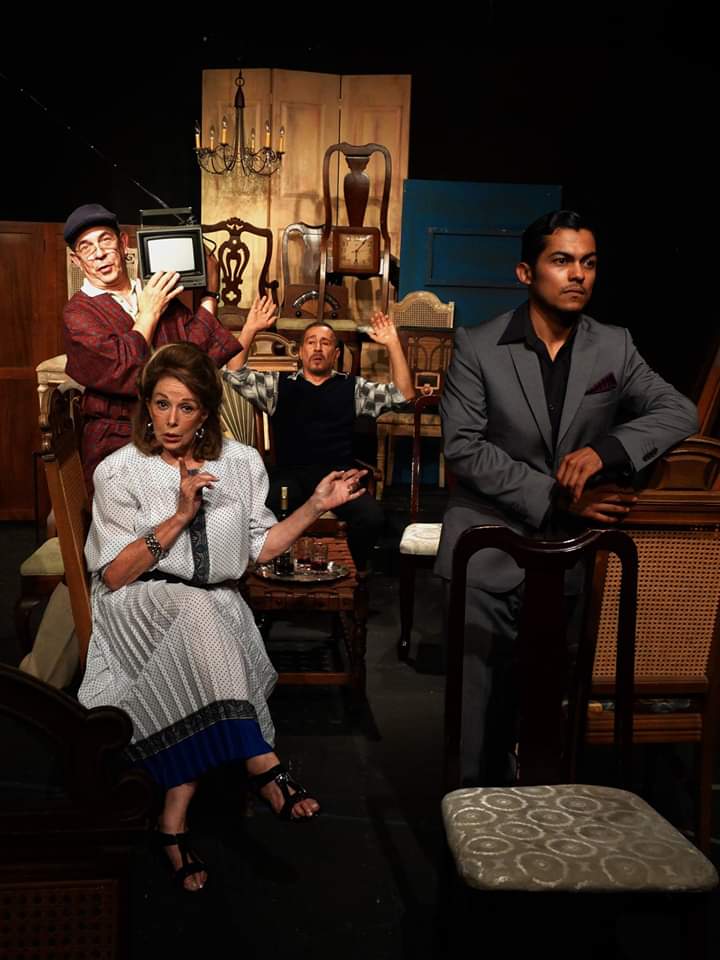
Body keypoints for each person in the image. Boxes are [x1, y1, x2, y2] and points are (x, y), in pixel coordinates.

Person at [77, 342, 366, 891]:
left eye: (185, 407)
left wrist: (314, 507)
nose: (171, 420)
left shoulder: (241, 462)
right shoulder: (120, 471)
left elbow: (260, 548)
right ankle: (262, 762)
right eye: (161, 404)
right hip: (138, 604)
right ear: (147, 405)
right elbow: (114, 575)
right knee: (200, 606)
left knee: (207, 611)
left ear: (206, 412)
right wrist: (179, 517)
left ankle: (172, 822)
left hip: (211, 604)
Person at [435, 210, 698, 785]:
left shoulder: (614, 346)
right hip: (488, 551)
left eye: (588, 262)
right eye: (562, 261)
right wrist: (558, 496)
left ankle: (541, 819)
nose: (578, 274)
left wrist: (607, 449)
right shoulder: (478, 345)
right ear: (526, 273)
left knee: (550, 717)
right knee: (477, 725)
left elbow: (680, 412)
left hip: (572, 560)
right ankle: (473, 822)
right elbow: (464, 449)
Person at [62, 203, 242, 492]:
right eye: (86, 247)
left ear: (123, 244)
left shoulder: (156, 293)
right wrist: (149, 313)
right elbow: (124, 371)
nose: (99, 253)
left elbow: (195, 359)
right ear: (76, 260)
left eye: (105, 240)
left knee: (231, 480)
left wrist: (210, 293)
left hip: (176, 435)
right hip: (117, 440)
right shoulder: (79, 313)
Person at [223, 303, 415, 569]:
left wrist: (392, 343)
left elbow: (404, 396)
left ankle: (353, 574)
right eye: (311, 342)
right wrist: (250, 328)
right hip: (290, 476)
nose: (317, 348)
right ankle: (276, 572)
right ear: (301, 352)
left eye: (325, 343)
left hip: (337, 477)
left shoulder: (352, 388)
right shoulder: (278, 385)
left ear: (335, 354)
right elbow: (235, 374)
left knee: (372, 517)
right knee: (265, 509)